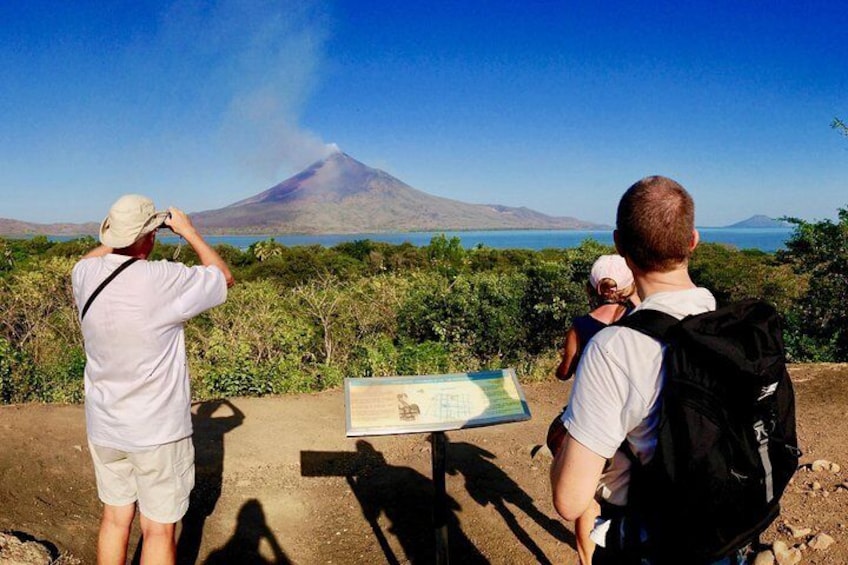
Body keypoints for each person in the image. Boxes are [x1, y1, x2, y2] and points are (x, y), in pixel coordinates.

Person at [550, 176, 730, 564]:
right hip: (724, 533)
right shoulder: (727, 325)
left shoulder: (613, 349)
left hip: (652, 542)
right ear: (693, 240)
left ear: (619, 245)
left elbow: (569, 500)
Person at [71, 194, 234, 565]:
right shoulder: (161, 278)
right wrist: (188, 232)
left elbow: (95, 257)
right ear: (150, 235)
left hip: (105, 426)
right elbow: (223, 276)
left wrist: (124, 233)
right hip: (157, 431)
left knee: (115, 517)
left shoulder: (84, 274)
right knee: (158, 529)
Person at [551, 253, 637, 565]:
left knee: (586, 498)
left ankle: (586, 560)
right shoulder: (642, 320)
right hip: (633, 427)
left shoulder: (580, 326)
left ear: (592, 287)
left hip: (592, 423)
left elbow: (565, 371)